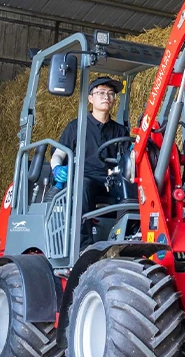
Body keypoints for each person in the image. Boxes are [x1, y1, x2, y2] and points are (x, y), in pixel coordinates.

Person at [50, 77, 129, 246]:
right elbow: (58, 155)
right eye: (100, 93)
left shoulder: (120, 131)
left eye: (110, 93)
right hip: (86, 177)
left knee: (129, 188)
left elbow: (128, 160)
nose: (106, 97)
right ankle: (82, 246)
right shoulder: (76, 126)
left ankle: (125, 240)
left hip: (111, 179)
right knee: (83, 186)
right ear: (90, 98)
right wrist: (57, 168)